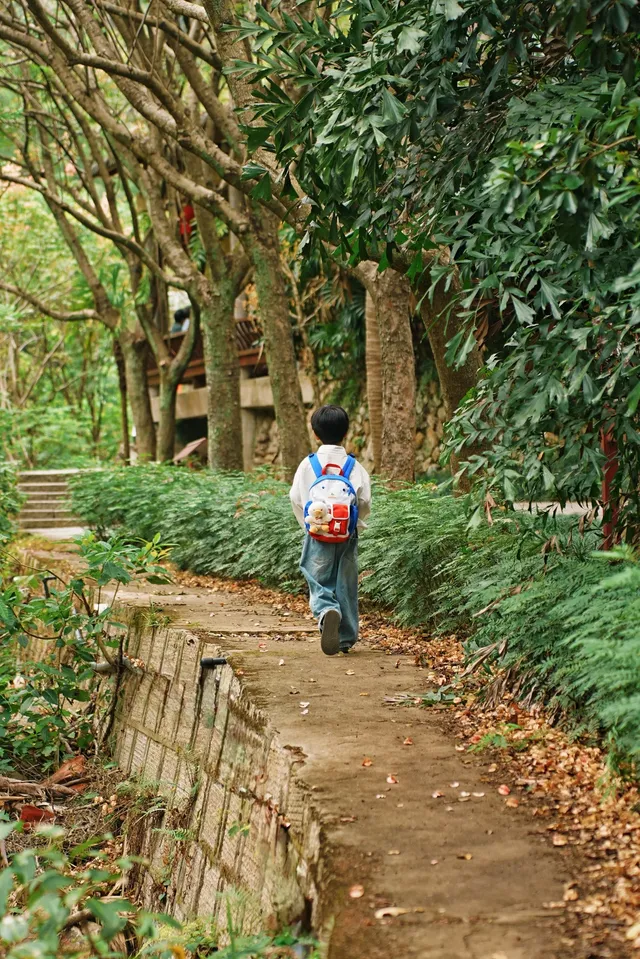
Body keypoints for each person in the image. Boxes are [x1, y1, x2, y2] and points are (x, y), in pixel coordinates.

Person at [290, 405, 371, 656]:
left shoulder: (308, 465)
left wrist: (307, 524)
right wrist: (357, 524)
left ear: (315, 433)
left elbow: (295, 497)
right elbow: (364, 501)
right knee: (346, 582)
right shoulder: (354, 466)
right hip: (347, 534)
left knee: (317, 577)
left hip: (317, 532)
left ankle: (326, 611)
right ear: (346, 433)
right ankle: (345, 638)